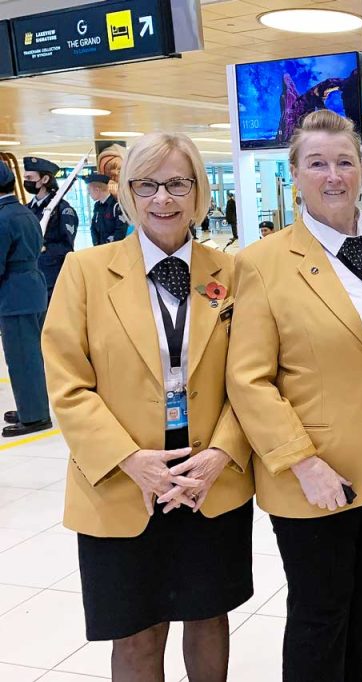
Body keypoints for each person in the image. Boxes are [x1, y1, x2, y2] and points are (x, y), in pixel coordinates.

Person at [41, 132, 255, 680]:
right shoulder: (85, 273)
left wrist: (220, 455)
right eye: (147, 184)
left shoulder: (233, 274)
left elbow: (252, 378)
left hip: (208, 480)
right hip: (121, 481)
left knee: (208, 621)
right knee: (136, 635)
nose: (163, 198)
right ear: (127, 191)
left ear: (198, 190)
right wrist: (131, 460)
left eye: (177, 183)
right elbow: (67, 383)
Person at [226, 109, 362, 681]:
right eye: (317, 163)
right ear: (295, 175)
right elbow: (249, 378)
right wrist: (301, 461)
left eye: (344, 162)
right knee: (320, 612)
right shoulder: (262, 263)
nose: (333, 175)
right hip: (313, 469)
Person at [0, 163, 51, 437]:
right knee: (30, 355)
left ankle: (34, 417)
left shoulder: (3, 217)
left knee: (21, 357)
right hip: (32, 288)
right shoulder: (23, 211)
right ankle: (31, 407)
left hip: (14, 294)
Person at [23, 156, 78, 301]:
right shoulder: (26, 210)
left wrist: (45, 249)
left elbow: (67, 248)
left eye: (30, 177)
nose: (26, 181)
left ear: (45, 179)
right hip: (30, 277)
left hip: (53, 278)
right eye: (25, 177)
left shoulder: (62, 210)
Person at [86, 172, 128, 246]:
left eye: (89, 192)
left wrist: (108, 246)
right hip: (100, 249)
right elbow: (93, 227)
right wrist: (97, 245)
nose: (89, 195)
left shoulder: (117, 206)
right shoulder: (97, 206)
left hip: (114, 249)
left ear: (97, 190)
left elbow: (121, 231)